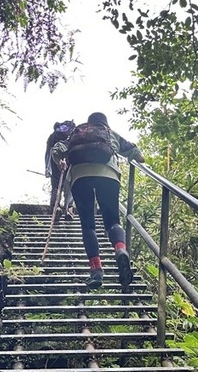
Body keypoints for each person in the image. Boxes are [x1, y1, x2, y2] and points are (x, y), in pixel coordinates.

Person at [51, 112, 144, 292]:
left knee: (88, 226)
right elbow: (138, 155)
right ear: (105, 122)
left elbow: (57, 149)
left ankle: (96, 271)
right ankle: (120, 249)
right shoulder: (109, 133)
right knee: (112, 222)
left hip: (80, 177)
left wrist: (59, 161)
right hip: (108, 176)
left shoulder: (78, 133)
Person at [44, 120, 76, 219]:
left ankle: (56, 206)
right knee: (70, 185)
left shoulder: (53, 136)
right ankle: (69, 209)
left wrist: (51, 165)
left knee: (56, 185)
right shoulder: (73, 134)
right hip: (70, 161)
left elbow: (49, 152)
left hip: (55, 161)